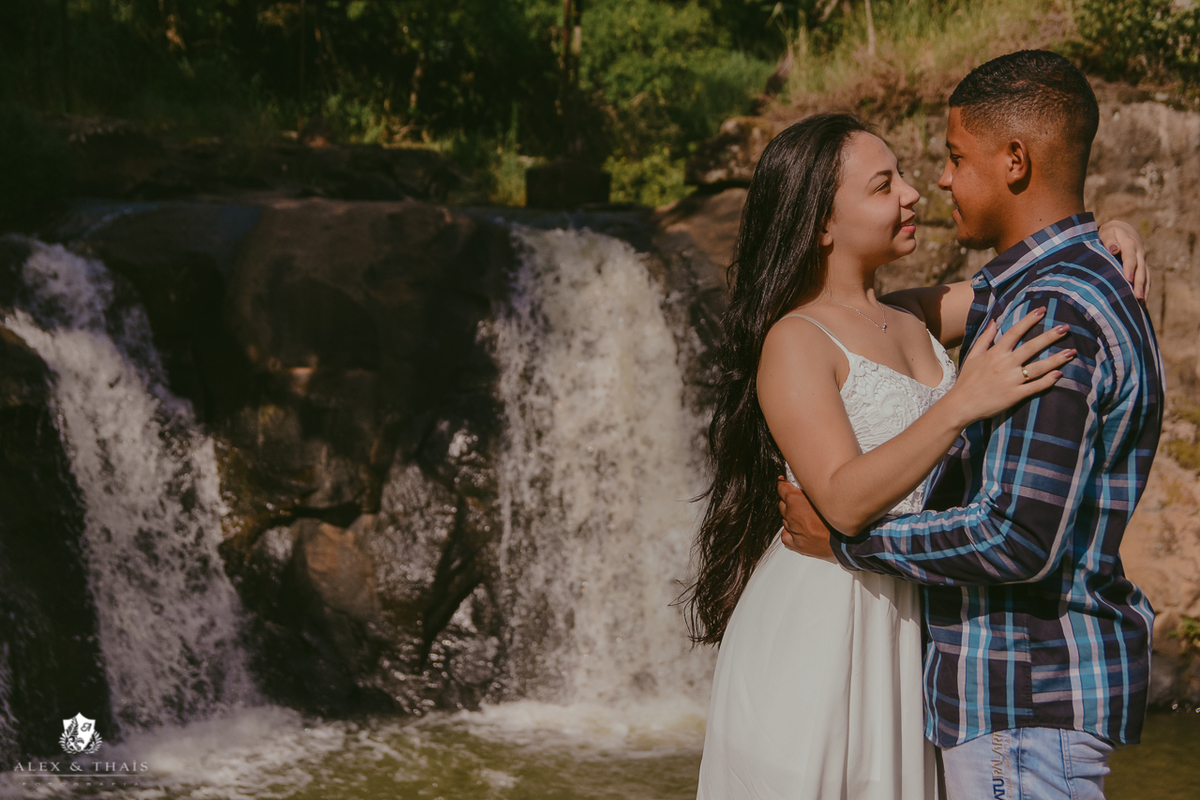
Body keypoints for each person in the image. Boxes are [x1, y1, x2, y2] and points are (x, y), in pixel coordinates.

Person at [777, 51, 1163, 800]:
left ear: (1015, 160)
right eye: (890, 181)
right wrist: (1105, 228)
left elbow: (1014, 537)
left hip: (1021, 700)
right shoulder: (1052, 288)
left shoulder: (1049, 313)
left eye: (954, 157)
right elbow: (896, 319)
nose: (938, 182)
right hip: (1010, 696)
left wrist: (849, 544)